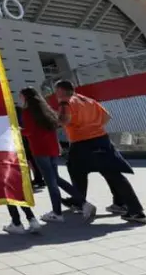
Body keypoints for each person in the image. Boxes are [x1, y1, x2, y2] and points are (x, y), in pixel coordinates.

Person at [55, 80, 146, 223]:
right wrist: (93, 127)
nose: (56, 95)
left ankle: (81, 202)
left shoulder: (66, 102)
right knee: (111, 171)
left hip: (81, 142)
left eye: (56, 92)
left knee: (77, 171)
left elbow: (63, 121)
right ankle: (122, 204)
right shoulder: (88, 100)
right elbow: (107, 117)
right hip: (101, 139)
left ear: (61, 91)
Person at [19, 87, 97, 223]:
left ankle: (57, 213)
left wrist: (18, 130)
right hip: (52, 148)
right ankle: (84, 203)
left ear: (25, 97)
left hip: (39, 149)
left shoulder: (27, 112)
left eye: (21, 96)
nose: (20, 99)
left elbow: (30, 132)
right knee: (56, 179)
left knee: (51, 182)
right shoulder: (47, 110)